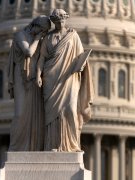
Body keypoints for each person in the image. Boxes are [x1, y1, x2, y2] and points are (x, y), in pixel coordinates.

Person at [36, 9, 94, 152]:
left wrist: (81, 66)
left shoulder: (73, 36)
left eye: (62, 17)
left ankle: (71, 145)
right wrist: (38, 75)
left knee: (70, 109)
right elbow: (41, 58)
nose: (60, 20)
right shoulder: (48, 38)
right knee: (52, 114)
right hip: (50, 78)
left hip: (69, 78)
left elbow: (81, 56)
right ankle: (53, 144)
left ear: (66, 18)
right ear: (53, 20)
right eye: (57, 18)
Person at [8, 15, 51, 151]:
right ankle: (16, 148)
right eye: (42, 30)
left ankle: (32, 147)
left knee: (35, 116)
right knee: (20, 114)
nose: (42, 34)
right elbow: (28, 52)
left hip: (34, 79)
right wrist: (38, 38)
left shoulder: (41, 39)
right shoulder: (20, 35)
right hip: (21, 76)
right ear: (35, 25)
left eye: (44, 32)